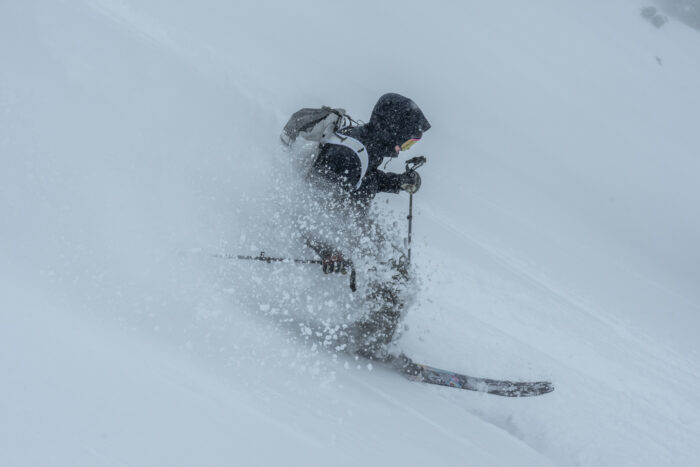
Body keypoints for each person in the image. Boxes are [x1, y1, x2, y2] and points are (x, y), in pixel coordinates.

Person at [300, 92, 431, 357]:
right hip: (331, 230)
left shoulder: (363, 143)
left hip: (346, 224)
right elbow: (311, 206)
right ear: (392, 130)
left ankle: (370, 334)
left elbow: (365, 179)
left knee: (396, 269)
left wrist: (397, 182)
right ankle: (367, 344)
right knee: (395, 280)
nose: (400, 150)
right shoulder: (346, 155)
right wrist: (327, 250)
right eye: (404, 143)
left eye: (408, 146)